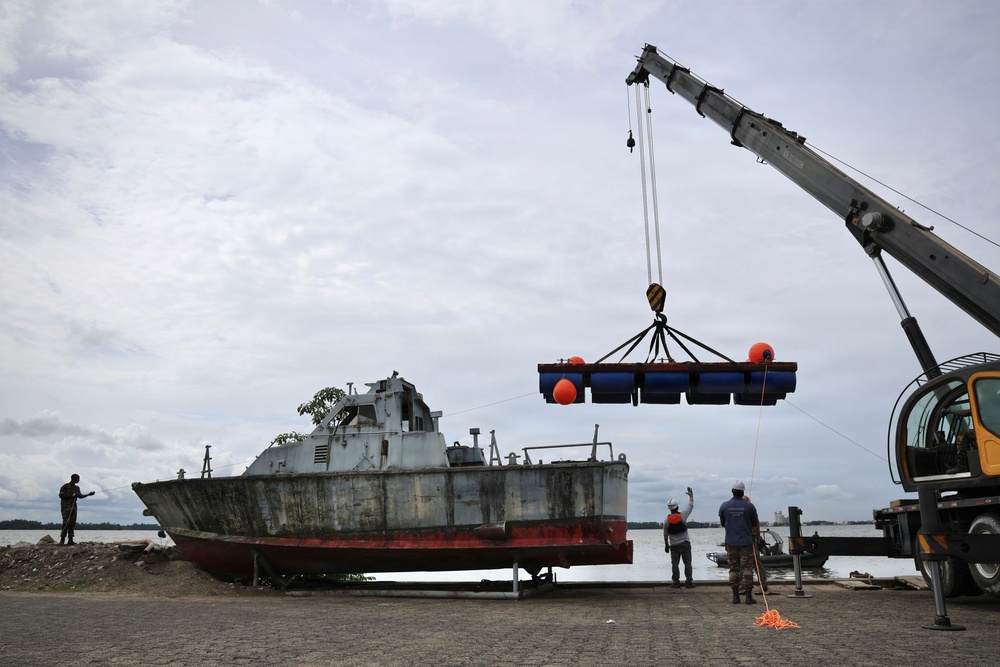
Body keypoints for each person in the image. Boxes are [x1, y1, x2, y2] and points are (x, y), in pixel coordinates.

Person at [719, 480, 759, 605]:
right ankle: (748, 597)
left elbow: (722, 523)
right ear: (743, 492)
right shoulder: (749, 506)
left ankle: (735, 596)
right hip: (746, 542)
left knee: (733, 569)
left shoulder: (724, 506)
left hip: (731, 542)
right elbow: (754, 523)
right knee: (747, 568)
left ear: (732, 491)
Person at [663, 486, 695, 588]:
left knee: (675, 564)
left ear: (669, 508)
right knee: (688, 563)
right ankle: (689, 582)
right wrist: (691, 496)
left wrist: (666, 545)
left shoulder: (666, 520)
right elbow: (690, 506)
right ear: (677, 507)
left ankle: (676, 582)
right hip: (685, 543)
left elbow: (665, 534)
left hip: (674, 545)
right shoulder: (683, 516)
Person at [59, 474, 95, 546]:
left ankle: (70, 540)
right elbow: (61, 495)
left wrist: (88, 494)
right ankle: (62, 539)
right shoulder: (65, 486)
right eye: (77, 478)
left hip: (74, 507)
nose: (78, 480)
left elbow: (80, 496)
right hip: (66, 507)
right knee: (66, 522)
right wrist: (72, 495)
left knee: (72, 522)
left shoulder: (77, 488)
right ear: (73, 478)